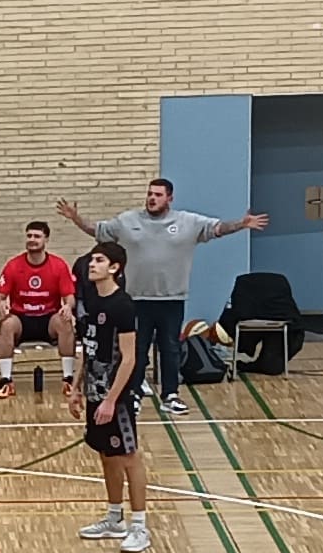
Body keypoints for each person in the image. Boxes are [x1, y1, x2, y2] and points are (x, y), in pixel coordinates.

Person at [58, 178, 265, 418]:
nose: (152, 198)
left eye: (158, 194)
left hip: (172, 299)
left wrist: (242, 224)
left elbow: (218, 229)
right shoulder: (128, 221)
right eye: (149, 194)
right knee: (136, 350)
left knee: (170, 348)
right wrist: (76, 218)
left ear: (169, 198)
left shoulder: (188, 222)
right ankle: (133, 394)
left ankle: (170, 395)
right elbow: (98, 230)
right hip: (136, 300)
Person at [74, 240, 150, 553]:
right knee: (106, 454)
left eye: (99, 260)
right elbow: (88, 348)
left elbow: (129, 358)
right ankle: (114, 518)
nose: (92, 265)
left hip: (118, 396)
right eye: (92, 260)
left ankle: (140, 526)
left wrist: (111, 400)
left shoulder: (123, 305)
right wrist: (76, 387)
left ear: (115, 268)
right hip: (95, 390)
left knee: (128, 456)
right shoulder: (92, 301)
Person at [0, 222, 73, 399]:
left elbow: (69, 297)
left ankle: (68, 380)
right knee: (6, 324)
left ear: (46, 239)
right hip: (21, 319)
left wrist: (68, 306)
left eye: (37, 236)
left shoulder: (58, 265)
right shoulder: (13, 265)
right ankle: (6, 381)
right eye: (29, 236)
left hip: (48, 318)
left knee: (64, 321)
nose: (32, 240)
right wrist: (0, 303)